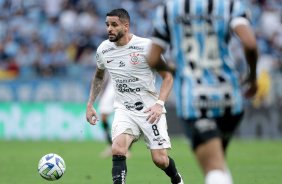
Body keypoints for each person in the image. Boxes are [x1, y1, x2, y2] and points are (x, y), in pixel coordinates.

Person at [147, 1, 258, 184]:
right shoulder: (229, 5)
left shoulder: (169, 10)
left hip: (195, 101)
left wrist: (174, 69)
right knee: (218, 161)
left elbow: (153, 58)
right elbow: (250, 44)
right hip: (229, 99)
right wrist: (252, 76)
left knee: (213, 169)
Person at [86, 8, 184, 184]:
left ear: (126, 26)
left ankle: (176, 178)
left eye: (114, 25)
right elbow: (99, 76)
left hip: (150, 111)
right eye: (107, 25)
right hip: (124, 109)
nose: (109, 29)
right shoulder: (103, 49)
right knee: (117, 148)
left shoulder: (146, 47)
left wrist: (159, 104)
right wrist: (90, 104)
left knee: (160, 160)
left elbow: (168, 77)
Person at [98, 75, 132, 158]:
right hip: (111, 87)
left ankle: (127, 149)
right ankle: (110, 145)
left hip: (124, 85)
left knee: (126, 117)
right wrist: (104, 90)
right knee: (103, 117)